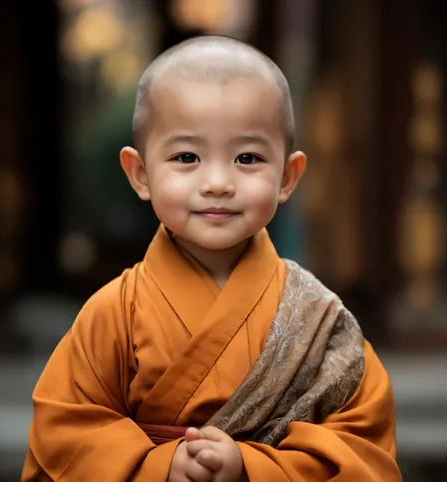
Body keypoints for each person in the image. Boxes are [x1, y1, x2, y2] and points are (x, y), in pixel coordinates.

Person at [21, 35, 402, 482]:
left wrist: (254, 467)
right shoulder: (113, 312)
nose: (218, 182)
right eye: (187, 157)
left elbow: (361, 445)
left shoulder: (318, 320)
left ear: (288, 176)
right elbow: (65, 433)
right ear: (140, 174)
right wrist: (159, 465)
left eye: (247, 157)